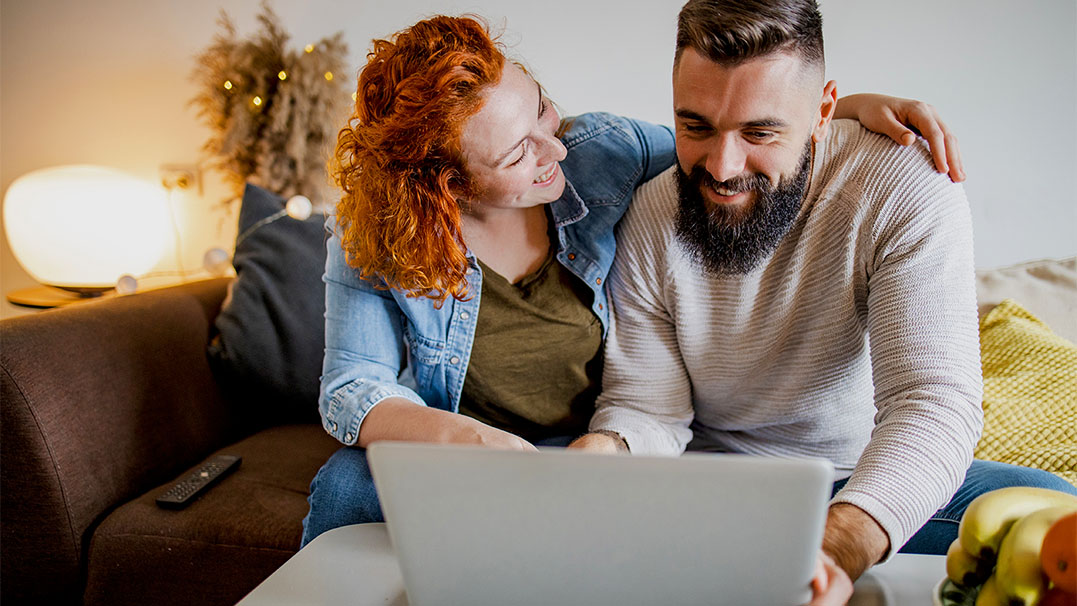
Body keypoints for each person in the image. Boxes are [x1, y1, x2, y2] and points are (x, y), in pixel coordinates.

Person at [301, 13, 966, 548]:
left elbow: (725, 145)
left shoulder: (604, 156)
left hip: (674, 454)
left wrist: (833, 113)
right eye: (516, 153)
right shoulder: (375, 234)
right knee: (344, 485)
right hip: (530, 458)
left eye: (541, 111)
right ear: (444, 185)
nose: (553, 149)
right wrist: (482, 446)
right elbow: (352, 388)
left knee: (1048, 511)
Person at [570, 0, 1077, 603]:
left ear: (824, 110)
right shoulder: (652, 212)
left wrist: (836, 546)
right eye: (696, 126)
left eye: (760, 132)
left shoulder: (901, 184)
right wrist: (598, 455)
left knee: (1059, 514)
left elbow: (932, 401)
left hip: (854, 480)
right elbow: (649, 410)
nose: (722, 168)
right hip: (705, 482)